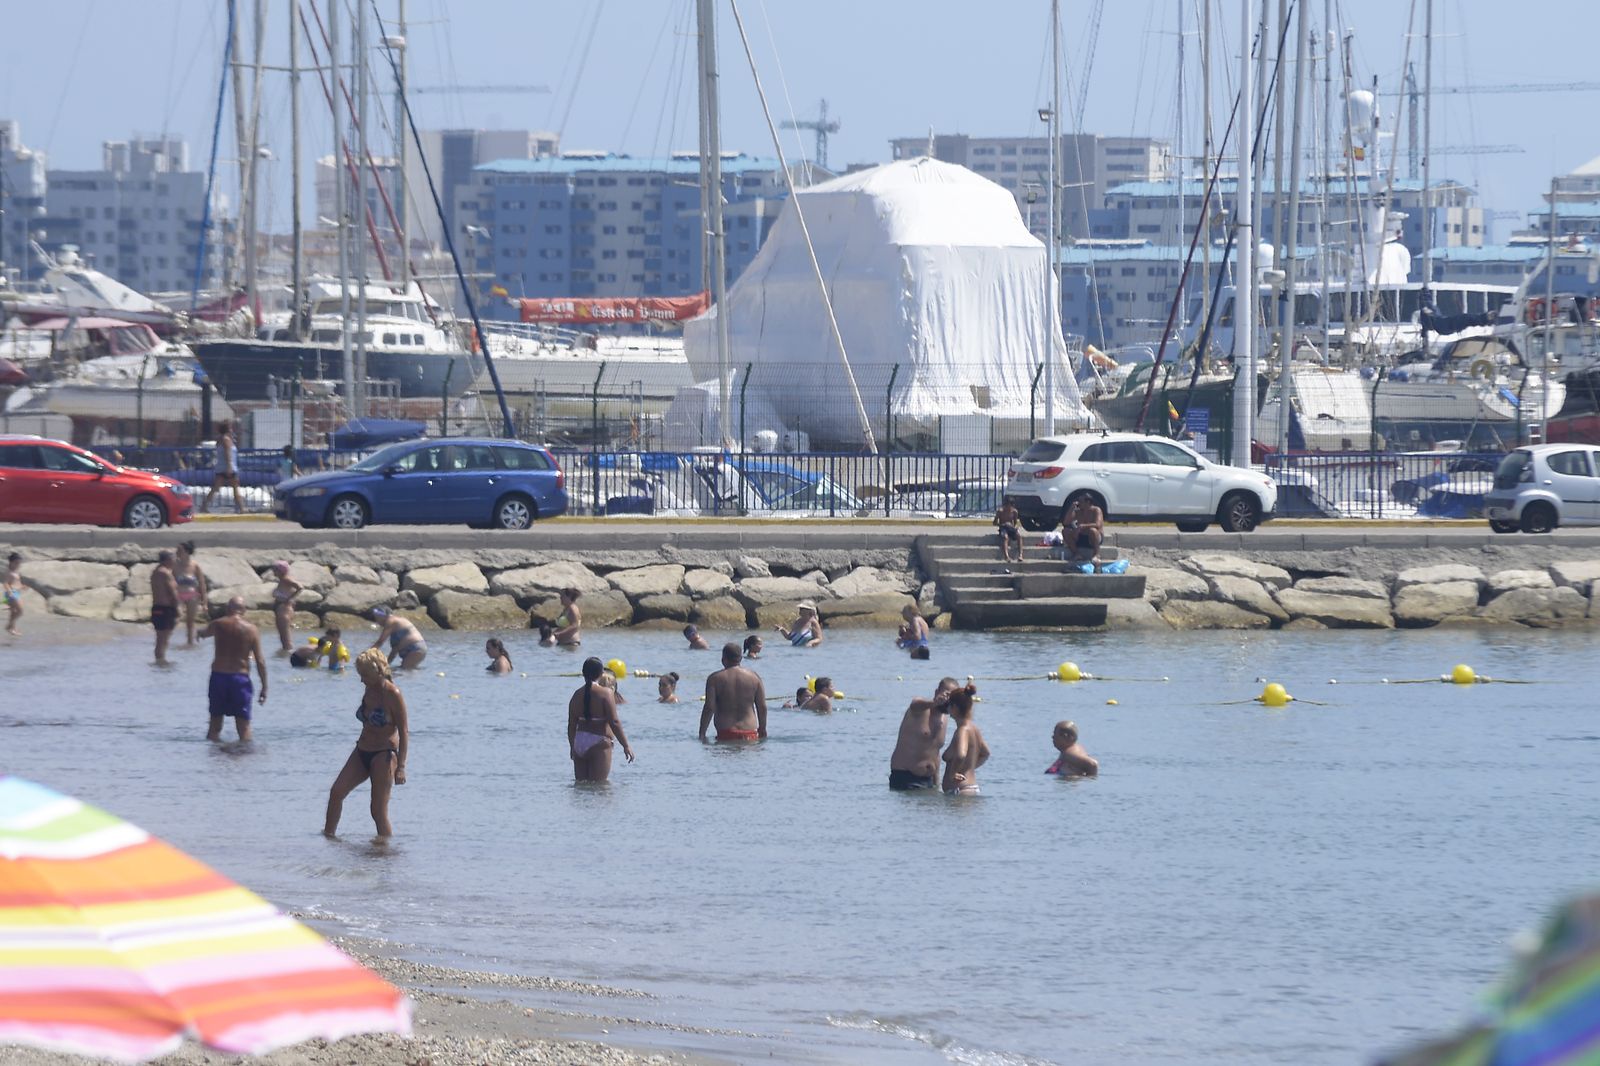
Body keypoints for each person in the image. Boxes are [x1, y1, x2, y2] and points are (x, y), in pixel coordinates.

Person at [324, 647, 408, 838]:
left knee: (377, 810)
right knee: (336, 792)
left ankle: (384, 854)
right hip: (362, 750)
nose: (361, 680)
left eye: (365, 675)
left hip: (383, 754)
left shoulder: (392, 693)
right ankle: (328, 840)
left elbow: (403, 731)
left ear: (378, 672)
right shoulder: (369, 689)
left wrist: (401, 767)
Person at [198, 596, 269, 742]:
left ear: (227, 609)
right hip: (240, 679)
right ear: (243, 610)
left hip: (218, 677)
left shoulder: (218, 624)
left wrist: (199, 633)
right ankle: (244, 760)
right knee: (243, 726)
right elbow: (260, 661)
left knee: (214, 725)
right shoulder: (251, 630)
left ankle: (212, 759)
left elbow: (204, 633)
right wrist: (264, 686)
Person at [569, 656, 634, 783]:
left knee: (581, 787)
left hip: (579, 743)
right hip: (599, 742)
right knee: (600, 788)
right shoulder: (606, 693)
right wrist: (626, 745)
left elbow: (571, 725)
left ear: (583, 673)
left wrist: (573, 747)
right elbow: (614, 722)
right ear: (600, 674)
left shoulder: (576, 695)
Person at [888, 677, 959, 791]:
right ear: (937, 692)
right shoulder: (920, 710)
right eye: (946, 694)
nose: (948, 700)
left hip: (928, 781)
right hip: (905, 778)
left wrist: (937, 784)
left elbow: (935, 752)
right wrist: (934, 702)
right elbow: (914, 704)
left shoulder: (944, 719)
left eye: (952, 698)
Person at [700, 642, 768, 743]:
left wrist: (702, 733)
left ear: (723, 659)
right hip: (750, 733)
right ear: (740, 659)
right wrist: (762, 728)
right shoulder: (755, 677)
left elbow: (709, 707)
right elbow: (762, 707)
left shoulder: (714, 679)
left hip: (725, 733)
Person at [940, 684, 988, 796]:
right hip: (971, 788)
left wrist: (953, 773)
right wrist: (969, 768)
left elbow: (961, 754)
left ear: (955, 708)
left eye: (949, 705)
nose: (947, 708)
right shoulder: (974, 729)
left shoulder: (963, 730)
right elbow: (985, 754)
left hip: (959, 792)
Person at [202, 421, 244, 514]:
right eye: (231, 428)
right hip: (229, 467)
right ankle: (241, 508)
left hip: (221, 467)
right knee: (235, 487)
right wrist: (229, 465)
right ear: (228, 429)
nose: (232, 430)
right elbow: (227, 453)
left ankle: (204, 506)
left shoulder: (221, 439)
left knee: (216, 488)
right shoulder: (226, 440)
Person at [172, 541, 208, 648]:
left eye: (180, 550)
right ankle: (164, 637)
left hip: (193, 596)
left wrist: (204, 603)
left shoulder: (195, 566)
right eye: (177, 550)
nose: (177, 552)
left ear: (187, 552)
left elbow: (202, 584)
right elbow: (169, 580)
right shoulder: (175, 565)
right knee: (177, 616)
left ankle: (190, 643)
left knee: (190, 622)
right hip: (179, 595)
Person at [150, 550, 180, 665]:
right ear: (167, 560)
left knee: (160, 639)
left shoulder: (155, 572)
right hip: (166, 608)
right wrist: (178, 609)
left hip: (156, 607)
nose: (175, 561)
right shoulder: (165, 573)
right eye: (173, 558)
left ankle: (159, 661)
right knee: (164, 639)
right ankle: (161, 661)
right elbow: (172, 592)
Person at [269, 561, 302, 653]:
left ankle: (288, 657)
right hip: (281, 609)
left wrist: (289, 598)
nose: (273, 571)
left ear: (281, 571)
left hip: (284, 610)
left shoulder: (286, 579)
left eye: (275, 569)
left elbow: (300, 587)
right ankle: (284, 657)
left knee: (286, 639)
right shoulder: (282, 580)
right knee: (283, 638)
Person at [1064, 495, 1105, 568]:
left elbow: (1098, 524)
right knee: (1065, 531)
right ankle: (1077, 554)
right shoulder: (1078, 511)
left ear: (1088, 502)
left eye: (1080, 502)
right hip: (1081, 537)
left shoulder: (1096, 510)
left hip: (1093, 538)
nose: (1078, 503)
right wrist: (1071, 508)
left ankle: (1096, 554)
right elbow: (1066, 522)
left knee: (1093, 530)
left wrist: (1082, 526)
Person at [994, 496, 1023, 563]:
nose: (1009, 508)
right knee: (1005, 537)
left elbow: (1015, 523)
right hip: (1003, 527)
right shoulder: (1000, 511)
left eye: (1010, 506)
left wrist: (1015, 526)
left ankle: (1020, 555)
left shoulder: (1014, 512)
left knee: (1019, 536)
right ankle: (1006, 556)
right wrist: (1001, 525)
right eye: (1007, 506)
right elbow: (994, 522)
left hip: (1010, 527)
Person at [4, 553, 23, 636]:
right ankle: (9, 626)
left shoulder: (16, 571)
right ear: (11, 562)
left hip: (16, 592)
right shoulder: (8, 572)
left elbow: (16, 582)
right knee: (20, 611)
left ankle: (13, 629)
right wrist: (10, 592)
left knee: (13, 612)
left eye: (19, 563)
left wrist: (22, 587)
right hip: (12, 593)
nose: (18, 564)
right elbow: (5, 583)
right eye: (16, 562)